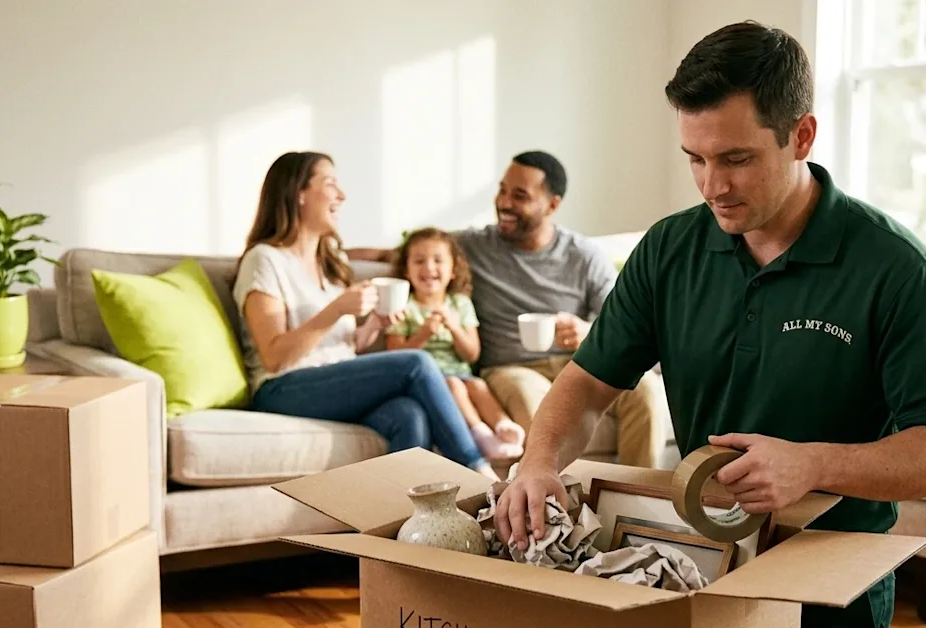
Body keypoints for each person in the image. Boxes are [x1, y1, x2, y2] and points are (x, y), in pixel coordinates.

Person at [491, 21, 926, 628]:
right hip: (702, 560)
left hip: (831, 571)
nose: (712, 185)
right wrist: (539, 463)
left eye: (737, 159)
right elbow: (587, 386)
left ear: (801, 136)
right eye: (695, 157)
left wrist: (811, 465)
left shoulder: (897, 270)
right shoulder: (668, 251)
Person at [350, 151, 667, 468]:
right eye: (502, 190)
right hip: (511, 368)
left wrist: (587, 331)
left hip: (581, 363)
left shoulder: (583, 255)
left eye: (520, 195)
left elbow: (626, 320)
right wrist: (331, 253)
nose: (504, 203)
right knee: (539, 409)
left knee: (646, 392)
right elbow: (405, 252)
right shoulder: (475, 245)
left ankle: (634, 506)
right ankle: (557, 509)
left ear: (552, 205)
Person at [233, 151, 496, 480]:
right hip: (281, 389)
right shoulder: (265, 260)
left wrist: (373, 326)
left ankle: (399, 523)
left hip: (328, 380)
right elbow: (274, 356)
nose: (341, 195)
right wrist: (337, 309)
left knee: (409, 415)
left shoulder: (330, 264)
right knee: (415, 363)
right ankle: (481, 475)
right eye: (330, 184)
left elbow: (340, 347)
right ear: (298, 193)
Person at [384, 227, 526, 461]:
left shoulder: (460, 304)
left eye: (438, 260)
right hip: (431, 382)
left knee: (478, 386)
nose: (429, 268)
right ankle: (480, 433)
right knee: (454, 385)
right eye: (419, 261)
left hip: (463, 373)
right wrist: (423, 333)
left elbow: (472, 354)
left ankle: (503, 426)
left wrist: (453, 326)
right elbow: (395, 357)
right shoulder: (404, 308)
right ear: (406, 270)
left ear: (453, 270)